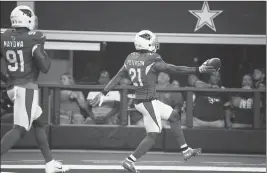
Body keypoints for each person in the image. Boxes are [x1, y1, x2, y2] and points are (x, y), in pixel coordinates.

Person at [91, 30, 216, 173]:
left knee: (174, 116)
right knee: (153, 135)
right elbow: (173, 68)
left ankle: (185, 150)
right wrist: (197, 69)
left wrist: (103, 92)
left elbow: (118, 77)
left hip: (146, 100)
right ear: (148, 43)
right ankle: (129, 161)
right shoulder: (152, 59)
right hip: (147, 102)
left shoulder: (130, 57)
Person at [0, 5, 69, 173]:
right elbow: (44, 66)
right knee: (20, 129)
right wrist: (39, 51)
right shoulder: (35, 37)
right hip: (26, 88)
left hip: (12, 87)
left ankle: (50, 162)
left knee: (39, 122)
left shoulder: (5, 36)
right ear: (27, 19)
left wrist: (6, 78)